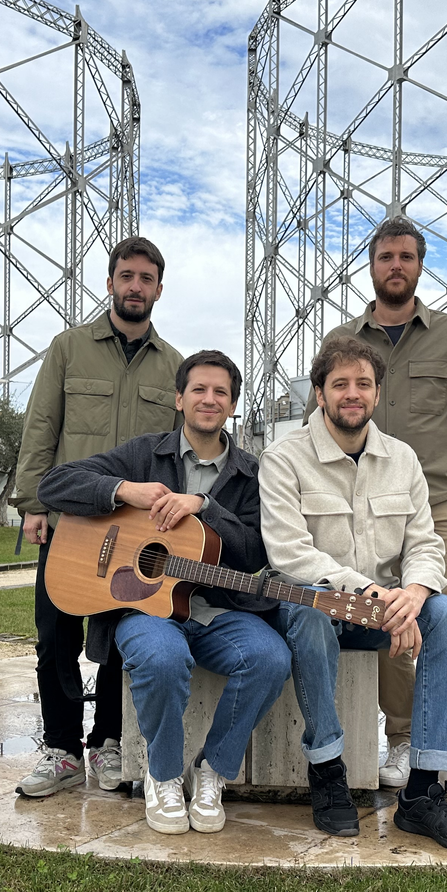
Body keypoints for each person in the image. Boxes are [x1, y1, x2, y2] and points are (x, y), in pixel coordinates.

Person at [37, 351, 290, 834]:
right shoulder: (143, 454)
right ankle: (164, 775)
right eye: (198, 389)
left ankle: (212, 769)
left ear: (232, 405)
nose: (208, 399)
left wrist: (206, 507)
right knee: (162, 657)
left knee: (270, 658)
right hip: (145, 608)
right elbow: (55, 485)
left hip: (219, 609)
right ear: (179, 398)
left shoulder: (253, 474)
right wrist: (123, 491)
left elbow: (259, 547)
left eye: (220, 392)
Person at [262, 338, 447, 852]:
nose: (352, 394)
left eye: (363, 383)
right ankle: (327, 770)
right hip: (320, 607)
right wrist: (373, 593)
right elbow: (289, 553)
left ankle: (424, 792)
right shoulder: (284, 458)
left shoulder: (402, 459)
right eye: (339, 384)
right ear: (319, 394)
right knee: (309, 611)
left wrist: (413, 593)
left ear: (377, 393)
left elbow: (425, 541)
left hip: (383, 609)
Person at [311, 215, 447, 807]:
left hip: (441, 503)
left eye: (407, 257)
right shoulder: (345, 338)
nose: (396, 266)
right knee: (385, 615)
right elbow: (323, 412)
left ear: (421, 266)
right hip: (362, 502)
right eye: (386, 257)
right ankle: (401, 740)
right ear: (371, 266)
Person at [9, 236, 184, 798]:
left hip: (133, 533)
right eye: (126, 276)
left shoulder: (175, 365)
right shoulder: (68, 348)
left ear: (159, 288)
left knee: (118, 638)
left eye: (146, 278)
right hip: (69, 521)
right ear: (110, 283)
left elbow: (177, 451)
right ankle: (61, 749)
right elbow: (41, 426)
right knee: (54, 636)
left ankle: (108, 743)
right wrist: (33, 503)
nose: (136, 287)